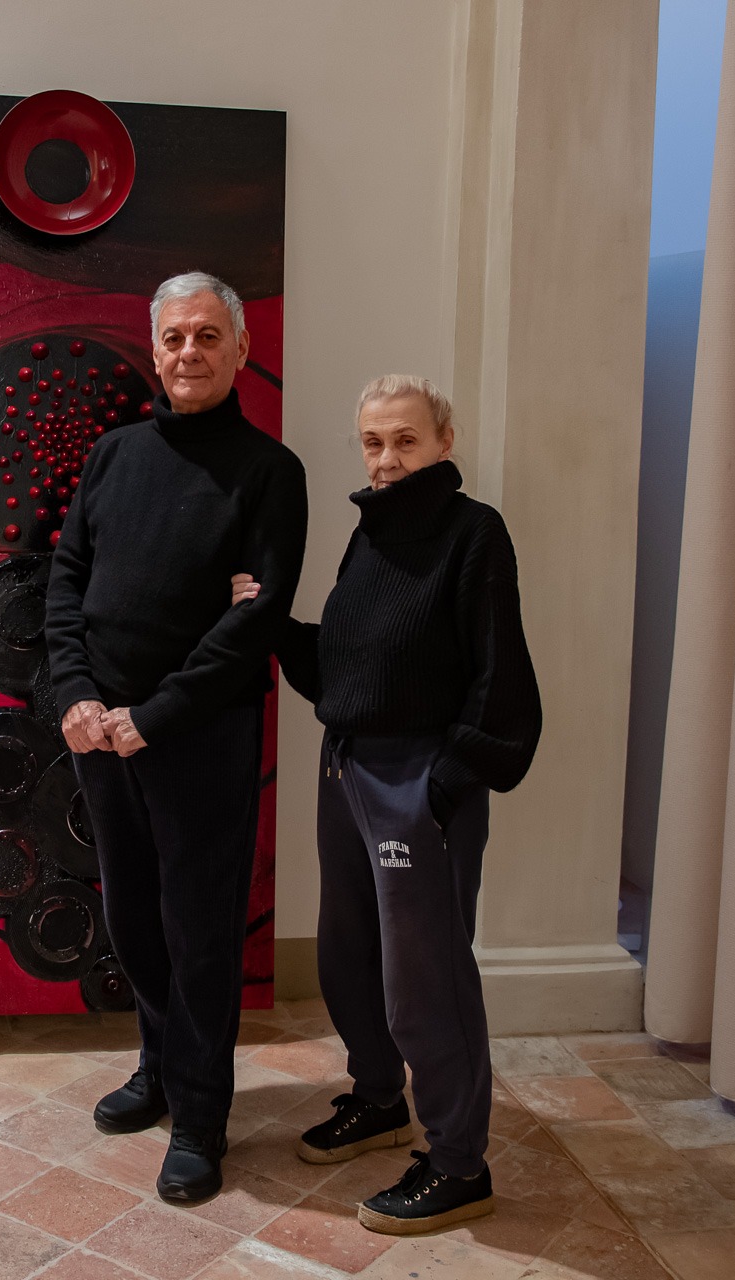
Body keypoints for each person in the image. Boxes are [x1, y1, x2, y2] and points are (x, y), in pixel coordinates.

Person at [232, 374, 540, 1234]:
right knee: (348, 956)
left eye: (406, 440)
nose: (388, 459)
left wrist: (446, 782)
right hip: (348, 768)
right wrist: (269, 621)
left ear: (445, 441)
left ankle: (459, 1163)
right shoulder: (369, 535)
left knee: (424, 979)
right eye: (374, 442)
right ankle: (378, 1097)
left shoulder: (474, 533)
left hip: (419, 781)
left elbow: (500, 674)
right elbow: (348, 663)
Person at [45, 271, 308, 1204]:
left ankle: (200, 1115)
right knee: (132, 917)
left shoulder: (271, 472)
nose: (189, 352)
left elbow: (252, 623)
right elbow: (67, 578)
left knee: (200, 933)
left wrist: (150, 718)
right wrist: (76, 693)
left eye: (207, 336)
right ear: (154, 350)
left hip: (198, 737)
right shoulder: (114, 455)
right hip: (101, 734)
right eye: (174, 338)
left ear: (240, 349)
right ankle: (158, 1064)